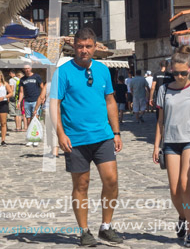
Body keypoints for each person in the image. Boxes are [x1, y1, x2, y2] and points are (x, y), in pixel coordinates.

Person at [51, 28, 124, 246]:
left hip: (103, 136)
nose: (84, 50)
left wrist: (117, 132)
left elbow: (110, 101)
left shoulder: (102, 70)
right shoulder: (62, 73)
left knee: (111, 180)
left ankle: (106, 227)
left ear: (95, 47)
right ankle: (84, 231)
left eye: (88, 46)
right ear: (74, 46)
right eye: (80, 46)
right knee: (82, 185)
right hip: (75, 138)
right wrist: (60, 134)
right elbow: (54, 104)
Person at [154, 46, 190, 247]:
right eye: (174, 73)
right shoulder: (164, 90)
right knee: (174, 189)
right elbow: (161, 121)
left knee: (186, 184)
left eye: (182, 73)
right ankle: (183, 217)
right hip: (170, 142)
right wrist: (156, 145)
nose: (178, 76)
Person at [19, 63, 46, 145]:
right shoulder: (22, 79)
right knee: (28, 120)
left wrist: (43, 97)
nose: (27, 70)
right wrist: (19, 101)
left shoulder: (36, 76)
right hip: (27, 100)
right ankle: (30, 137)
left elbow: (42, 87)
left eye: (28, 68)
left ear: (31, 68)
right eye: (25, 69)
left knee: (35, 118)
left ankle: (36, 138)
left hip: (36, 100)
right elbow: (21, 92)